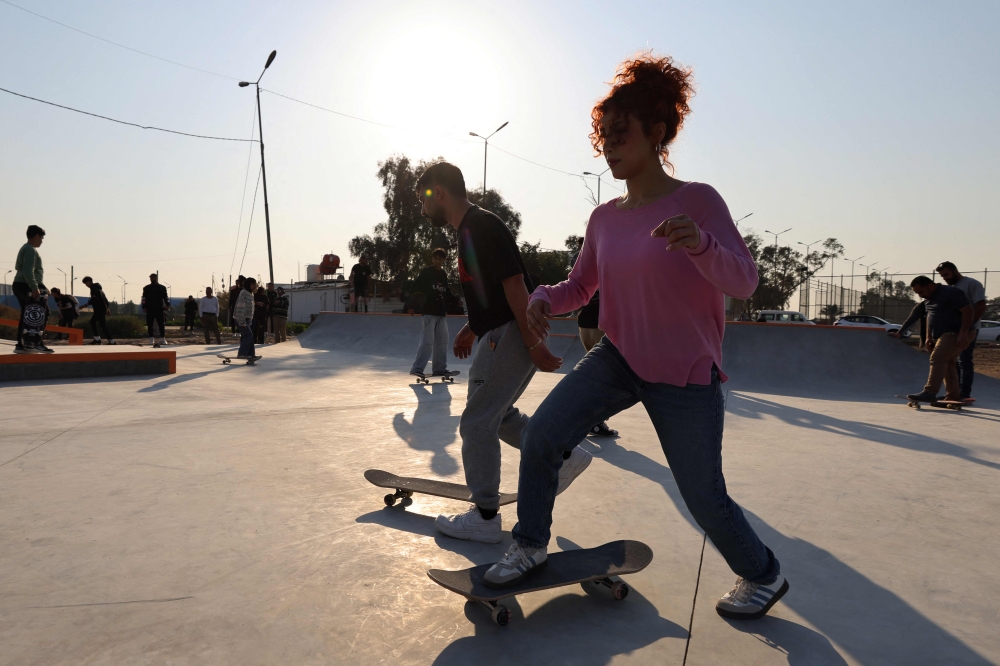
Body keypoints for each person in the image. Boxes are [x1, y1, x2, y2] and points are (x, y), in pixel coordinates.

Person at [482, 55, 788, 622]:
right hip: (618, 357)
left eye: (622, 134)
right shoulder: (605, 218)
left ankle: (763, 572)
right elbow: (581, 285)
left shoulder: (697, 201)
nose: (610, 146)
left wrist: (700, 243)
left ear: (658, 133)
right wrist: (546, 298)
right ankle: (528, 544)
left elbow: (744, 281)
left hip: (686, 374)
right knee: (545, 432)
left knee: (703, 497)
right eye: (604, 136)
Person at [416, 161, 591, 544]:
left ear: (439, 193)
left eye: (423, 198)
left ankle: (484, 515)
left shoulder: (480, 226)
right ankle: (563, 456)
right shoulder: (469, 230)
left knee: (477, 422)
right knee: (498, 413)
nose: (422, 207)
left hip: (508, 335)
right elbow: (490, 294)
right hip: (497, 331)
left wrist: (532, 342)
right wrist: (471, 326)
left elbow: (514, 285)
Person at [893, 275, 973, 403]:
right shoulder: (928, 300)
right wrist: (903, 333)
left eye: (921, 292)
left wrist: (963, 333)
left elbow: (968, 311)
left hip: (956, 332)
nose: (920, 295)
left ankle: (930, 392)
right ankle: (953, 395)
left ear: (930, 286)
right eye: (918, 293)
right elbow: (922, 317)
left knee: (938, 358)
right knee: (948, 363)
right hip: (943, 335)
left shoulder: (951, 292)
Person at [569, 238, 618, 437]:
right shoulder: (603, 255)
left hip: (585, 316)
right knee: (602, 372)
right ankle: (594, 420)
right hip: (599, 316)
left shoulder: (576, 258)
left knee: (591, 369)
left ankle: (578, 416)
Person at [936, 262, 986, 402]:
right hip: (953, 331)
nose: (945, 278)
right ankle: (953, 393)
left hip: (968, 330)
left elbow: (981, 306)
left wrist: (968, 327)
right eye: (942, 276)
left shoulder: (971, 284)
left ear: (955, 271)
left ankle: (964, 393)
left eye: (946, 274)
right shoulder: (950, 289)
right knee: (952, 361)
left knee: (964, 360)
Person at [409, 248, 459, 378]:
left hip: (441, 312)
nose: (438, 261)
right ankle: (417, 368)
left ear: (443, 260)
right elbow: (416, 288)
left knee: (442, 341)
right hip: (429, 311)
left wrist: (455, 301)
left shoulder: (443, 274)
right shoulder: (426, 272)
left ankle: (439, 368)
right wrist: (411, 305)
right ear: (432, 259)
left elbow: (446, 292)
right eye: (435, 258)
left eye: (440, 259)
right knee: (427, 341)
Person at [12, 225, 53, 353]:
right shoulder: (30, 250)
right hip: (26, 284)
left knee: (27, 314)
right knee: (41, 313)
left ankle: (22, 344)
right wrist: (35, 287)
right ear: (36, 236)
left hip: (20, 283)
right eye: (41, 237)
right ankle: (36, 342)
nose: (42, 240)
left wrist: (43, 287)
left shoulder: (25, 248)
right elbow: (28, 270)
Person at [82, 276, 115, 345]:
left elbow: (95, 299)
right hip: (101, 309)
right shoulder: (98, 289)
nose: (86, 285)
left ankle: (100, 339)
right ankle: (109, 340)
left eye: (86, 283)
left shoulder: (94, 289)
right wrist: (107, 309)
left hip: (99, 309)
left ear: (89, 282)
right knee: (101, 324)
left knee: (94, 322)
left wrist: (85, 305)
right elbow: (105, 300)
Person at [232, 278, 259, 360]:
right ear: (249, 284)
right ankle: (242, 353)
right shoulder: (243, 293)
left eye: (255, 284)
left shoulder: (250, 294)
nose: (255, 286)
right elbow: (240, 308)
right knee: (248, 336)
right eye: (253, 284)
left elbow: (250, 309)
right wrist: (242, 322)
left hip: (247, 319)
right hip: (241, 319)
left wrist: (249, 321)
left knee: (248, 336)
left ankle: (251, 354)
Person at [141, 273, 169, 348]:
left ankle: (163, 338)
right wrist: (144, 306)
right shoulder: (146, 288)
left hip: (159, 308)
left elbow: (165, 297)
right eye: (151, 277)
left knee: (161, 324)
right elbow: (144, 298)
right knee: (150, 324)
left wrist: (167, 304)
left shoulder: (162, 288)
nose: (152, 279)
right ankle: (151, 339)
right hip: (150, 308)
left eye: (153, 277)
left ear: (156, 278)